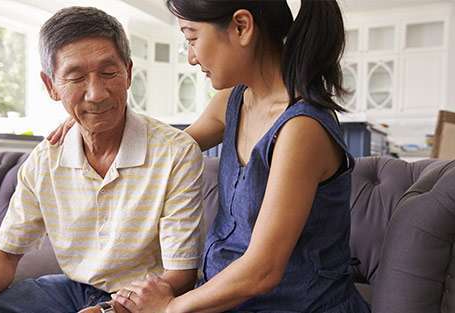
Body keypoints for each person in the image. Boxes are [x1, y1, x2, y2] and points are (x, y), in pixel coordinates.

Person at [48, 1, 372, 312]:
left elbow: (263, 270)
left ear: (241, 27)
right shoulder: (234, 100)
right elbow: (162, 150)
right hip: (224, 299)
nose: (190, 57)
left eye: (192, 38)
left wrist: (171, 308)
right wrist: (95, 120)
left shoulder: (301, 129)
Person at [0, 6, 204, 313]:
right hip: (69, 290)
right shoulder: (44, 161)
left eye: (108, 72)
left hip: (146, 299)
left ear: (128, 73)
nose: (96, 94)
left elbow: (180, 276)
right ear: (51, 86)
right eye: (76, 77)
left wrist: (108, 310)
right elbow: (4, 254)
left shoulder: (176, 153)